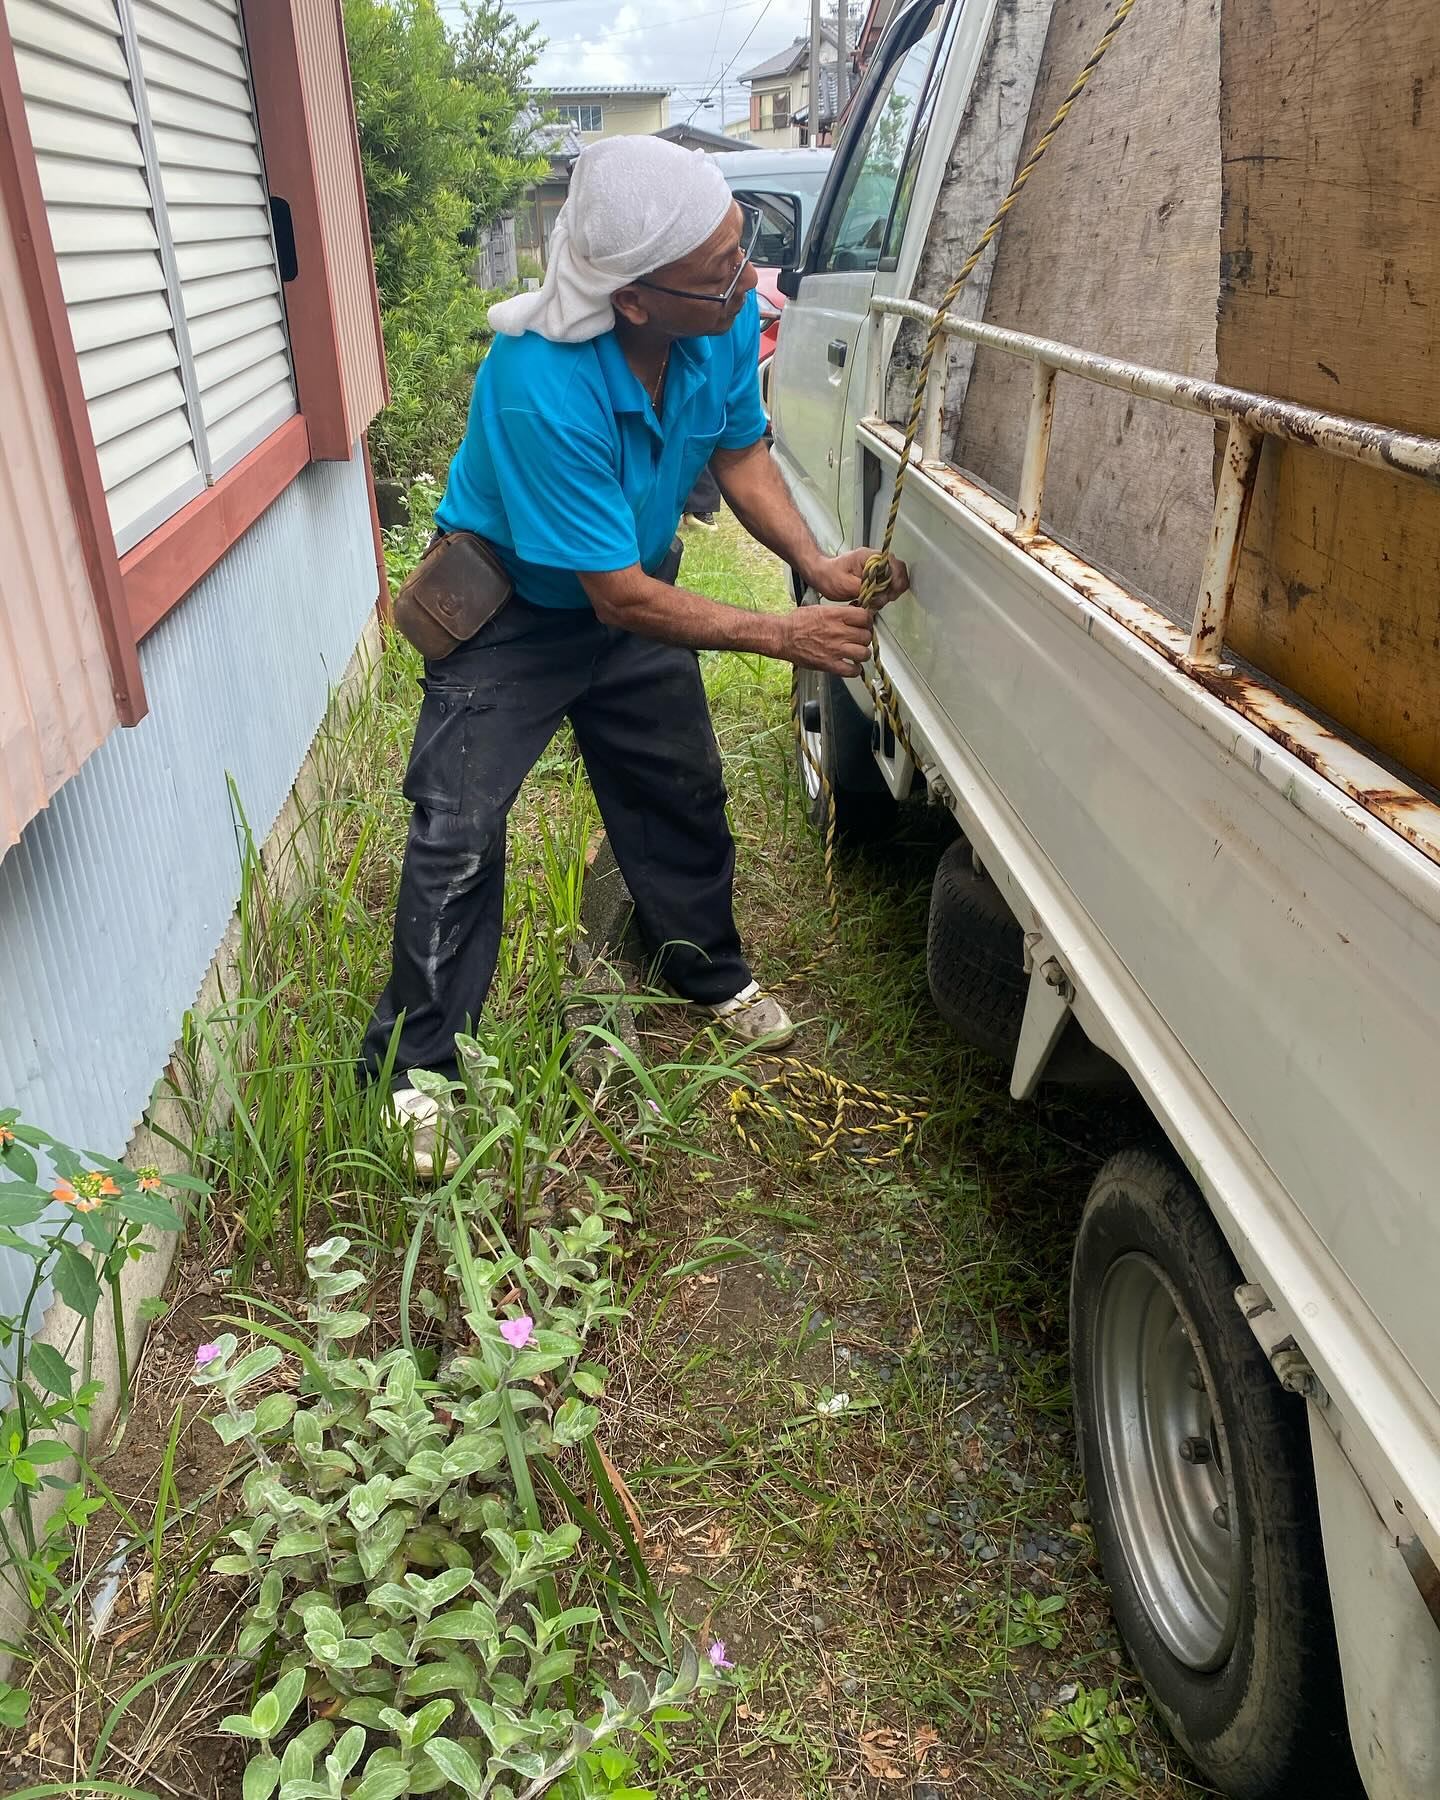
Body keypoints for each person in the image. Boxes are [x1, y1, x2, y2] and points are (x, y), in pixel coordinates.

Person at [362, 135, 908, 1176]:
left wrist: (815, 563)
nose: (748, 280)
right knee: (458, 832)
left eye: (740, 249)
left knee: (680, 791)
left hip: (636, 593)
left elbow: (737, 450)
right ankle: (415, 1074)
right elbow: (611, 597)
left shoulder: (717, 312)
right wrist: (781, 634)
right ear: (636, 300)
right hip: (517, 614)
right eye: (719, 272)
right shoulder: (539, 383)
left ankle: (706, 973)